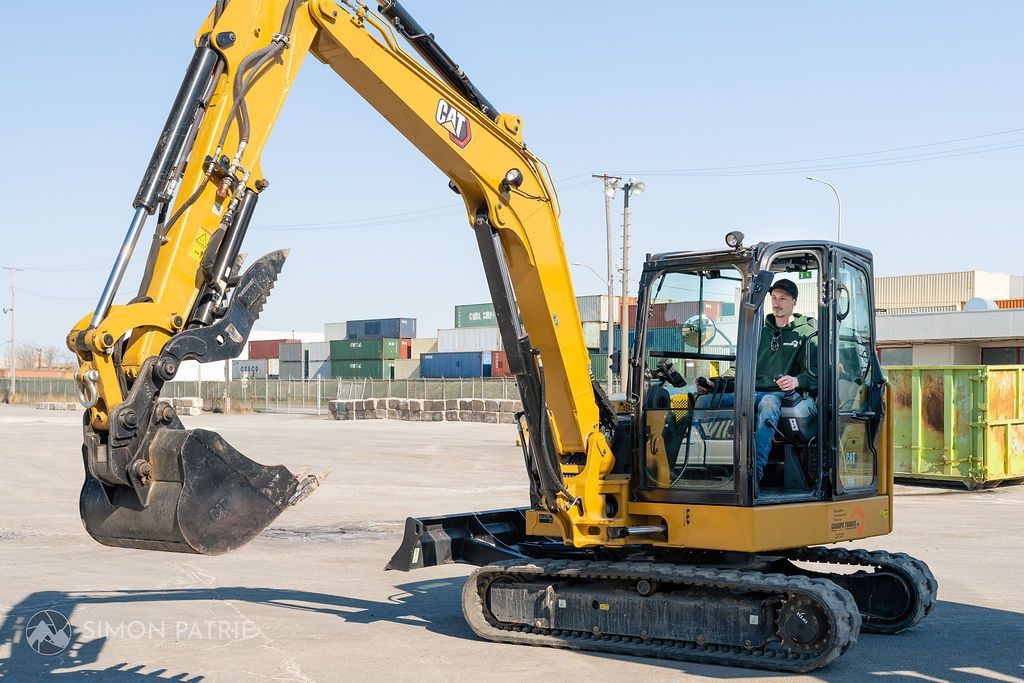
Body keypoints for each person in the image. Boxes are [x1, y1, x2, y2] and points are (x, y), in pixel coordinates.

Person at [695, 278, 817, 482]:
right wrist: (714, 385)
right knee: (704, 402)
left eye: (783, 298)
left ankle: (753, 474)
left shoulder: (806, 332)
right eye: (774, 298)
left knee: (768, 403)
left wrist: (796, 381)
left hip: (780, 395)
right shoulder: (758, 331)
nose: (777, 303)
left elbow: (816, 373)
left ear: (794, 301)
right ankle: (696, 465)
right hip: (750, 392)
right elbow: (739, 367)